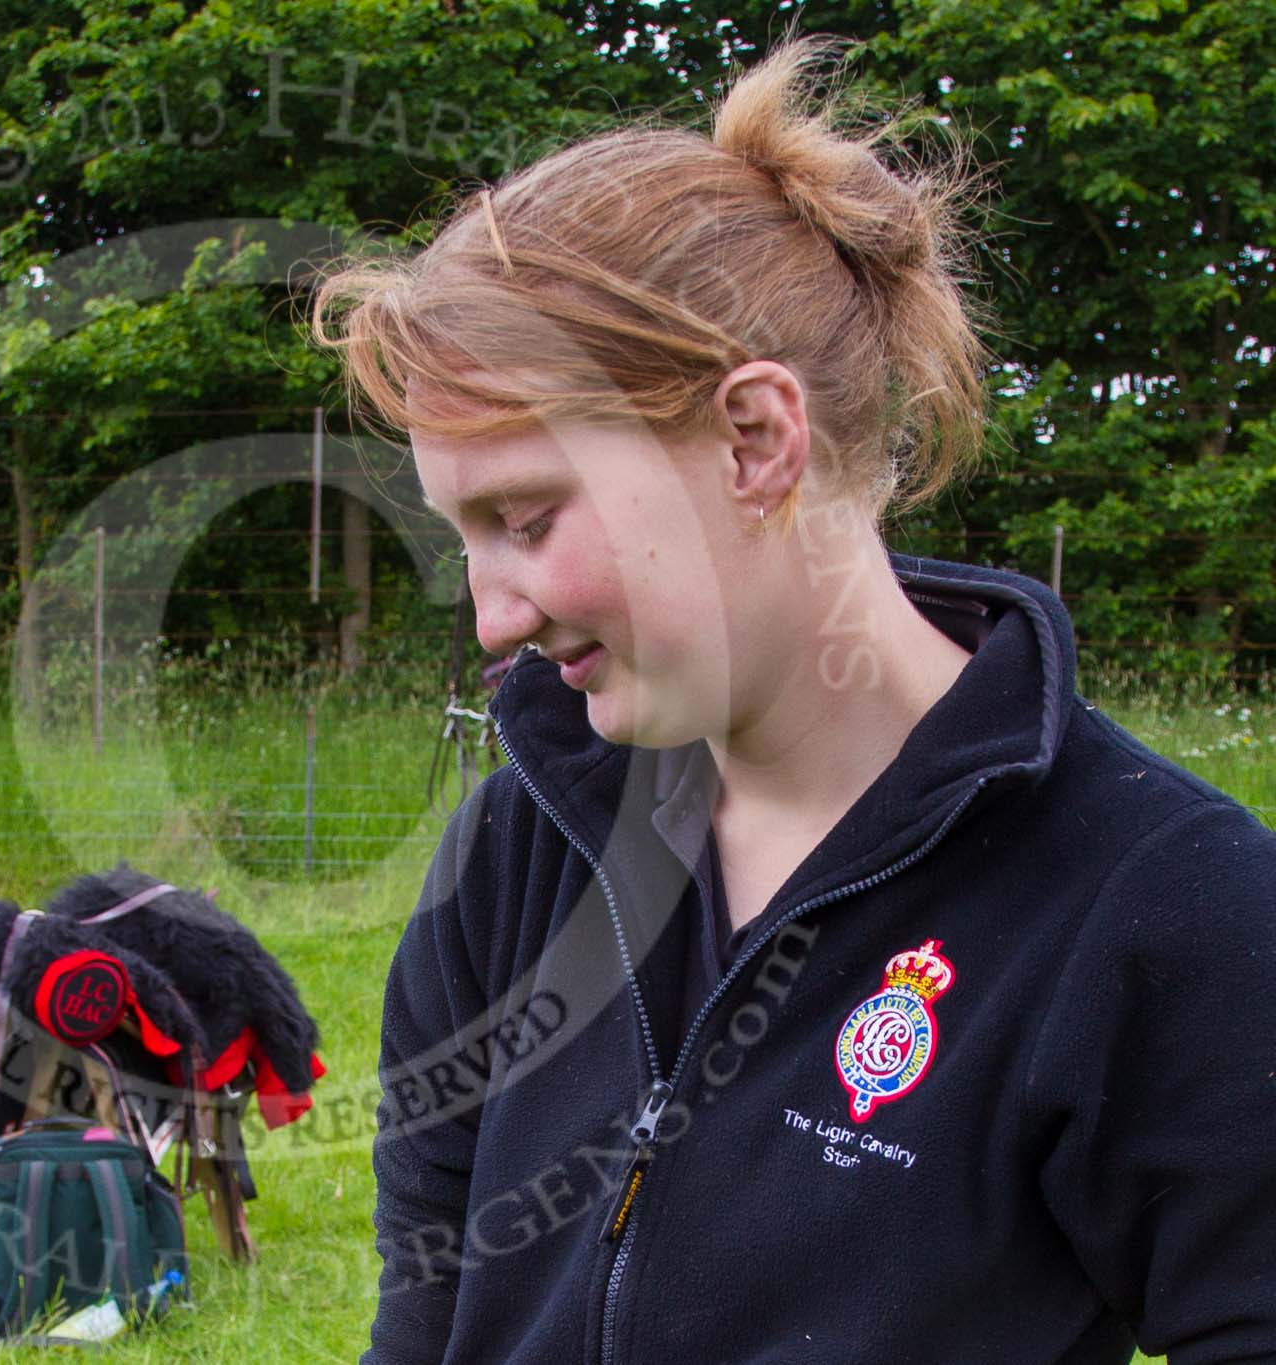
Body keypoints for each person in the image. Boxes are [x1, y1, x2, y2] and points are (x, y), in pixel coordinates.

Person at [309, 35, 1276, 1365]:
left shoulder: (1166, 901)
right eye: (464, 539)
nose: (494, 616)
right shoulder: (515, 851)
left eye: (526, 518)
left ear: (757, 439)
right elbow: (425, 1320)